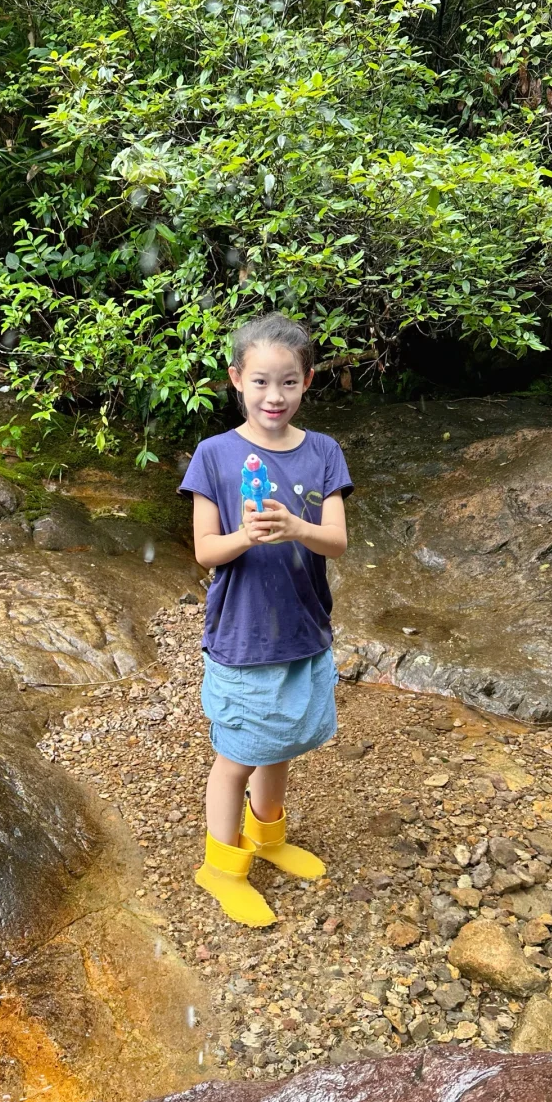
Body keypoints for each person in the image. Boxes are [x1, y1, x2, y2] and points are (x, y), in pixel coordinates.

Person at [179, 312, 352, 926]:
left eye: (287, 382)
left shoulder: (325, 452)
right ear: (235, 380)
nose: (272, 396)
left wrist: (298, 526)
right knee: (237, 756)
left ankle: (269, 838)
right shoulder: (215, 455)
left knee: (284, 740)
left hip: (304, 628)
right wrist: (247, 537)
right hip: (242, 634)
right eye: (259, 382)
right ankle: (221, 868)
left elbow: (336, 542)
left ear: (307, 382)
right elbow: (205, 551)